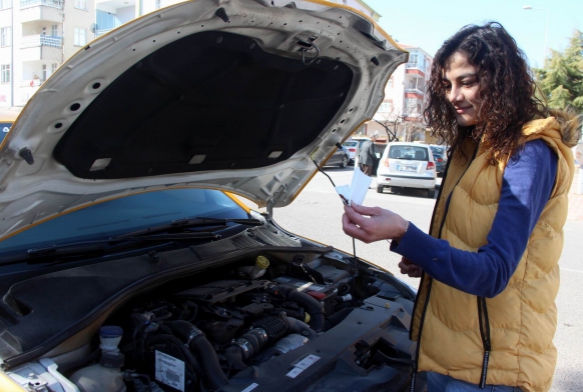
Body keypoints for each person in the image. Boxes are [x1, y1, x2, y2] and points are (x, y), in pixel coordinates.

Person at [342, 22, 579, 392]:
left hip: (493, 371)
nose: (455, 96)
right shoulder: (473, 146)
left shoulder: (529, 154)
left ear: (502, 79)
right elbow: (472, 244)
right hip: (448, 357)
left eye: (467, 82)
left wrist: (405, 233)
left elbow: (493, 273)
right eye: (447, 85)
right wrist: (426, 258)